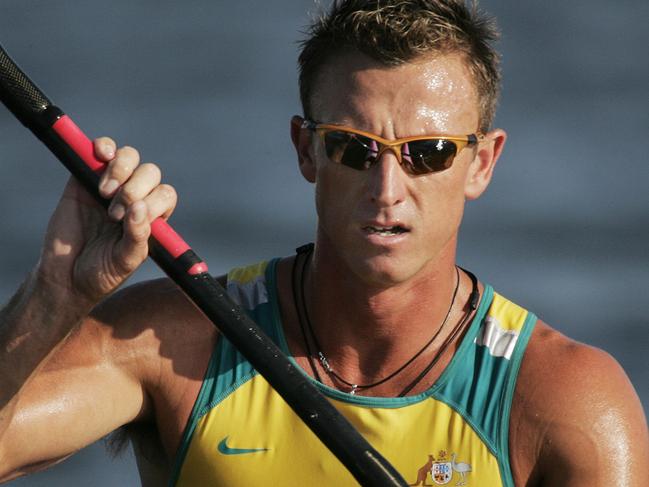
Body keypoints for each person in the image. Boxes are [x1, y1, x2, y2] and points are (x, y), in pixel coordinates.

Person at [1, 0, 647, 485]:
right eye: (354, 148)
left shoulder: (569, 402)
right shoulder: (167, 342)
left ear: (481, 163)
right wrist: (54, 293)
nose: (387, 189)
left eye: (427, 153)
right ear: (307, 150)